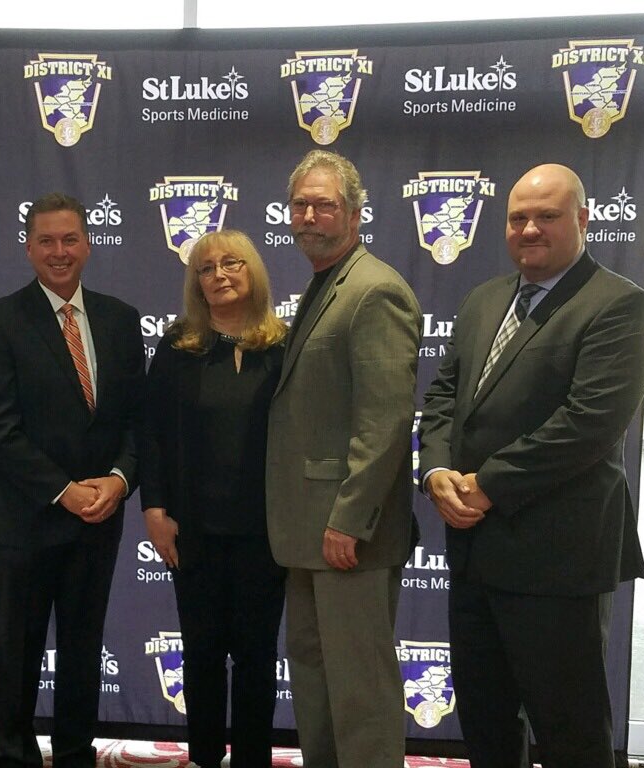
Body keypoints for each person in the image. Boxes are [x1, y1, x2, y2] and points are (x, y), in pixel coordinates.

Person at [417, 163, 644, 768]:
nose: (529, 229)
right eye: (518, 217)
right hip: (476, 550)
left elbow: (588, 424)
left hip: (558, 558)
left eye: (546, 216)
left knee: (569, 730)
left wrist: (487, 484)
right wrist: (437, 470)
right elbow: (445, 396)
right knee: (486, 723)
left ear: (581, 219)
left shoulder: (619, 306)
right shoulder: (483, 300)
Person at [0, 193, 144, 768]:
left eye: (70, 239)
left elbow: (135, 421)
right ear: (28, 248)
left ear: (88, 245)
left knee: (81, 650)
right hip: (28, 519)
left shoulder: (120, 319)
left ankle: (75, 753)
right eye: (46, 241)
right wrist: (63, 490)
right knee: (16, 653)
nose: (59, 252)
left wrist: (118, 481)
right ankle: (13, 756)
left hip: (100, 519)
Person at [265, 149, 421, 768]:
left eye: (323, 204)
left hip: (345, 535)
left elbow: (384, 424)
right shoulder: (326, 282)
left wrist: (348, 520)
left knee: (360, 694)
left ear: (354, 214)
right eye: (300, 204)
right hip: (309, 533)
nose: (309, 215)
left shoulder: (375, 289)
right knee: (315, 680)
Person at [140, 230, 288, 768]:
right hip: (193, 530)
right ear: (195, 282)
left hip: (264, 532)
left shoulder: (282, 348)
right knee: (201, 655)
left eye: (232, 264)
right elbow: (151, 435)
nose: (220, 275)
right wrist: (154, 509)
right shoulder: (179, 348)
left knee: (255, 656)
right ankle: (203, 757)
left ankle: (252, 759)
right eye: (206, 268)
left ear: (253, 273)